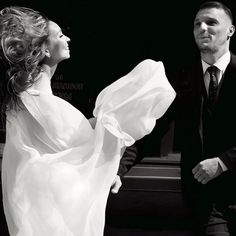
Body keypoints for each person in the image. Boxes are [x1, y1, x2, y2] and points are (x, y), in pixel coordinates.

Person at [0, 6, 175, 236]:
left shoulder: (26, 99)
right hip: (47, 218)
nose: (68, 38)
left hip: (35, 211)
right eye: (60, 35)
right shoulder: (37, 100)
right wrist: (124, 106)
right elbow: (88, 144)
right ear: (43, 50)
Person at [167, 1, 236, 235]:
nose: (202, 28)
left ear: (230, 31)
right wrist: (117, 170)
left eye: (211, 22)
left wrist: (224, 161)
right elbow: (151, 128)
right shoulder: (181, 77)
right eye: (197, 23)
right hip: (205, 201)